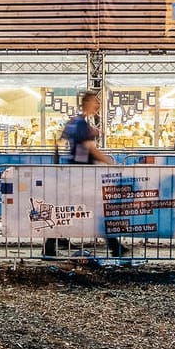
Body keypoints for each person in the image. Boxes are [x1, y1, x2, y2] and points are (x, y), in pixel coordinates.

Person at [59, 93, 123, 257]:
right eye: (96, 102)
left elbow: (61, 141)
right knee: (100, 209)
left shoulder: (75, 122)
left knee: (68, 209)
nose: (98, 105)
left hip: (76, 172)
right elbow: (90, 149)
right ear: (86, 102)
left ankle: (53, 242)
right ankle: (115, 246)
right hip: (83, 174)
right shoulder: (80, 124)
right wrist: (110, 162)